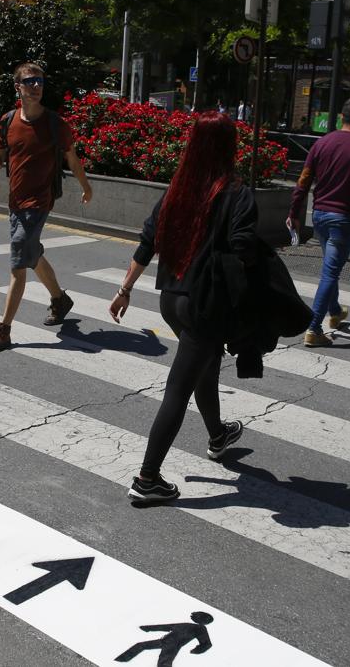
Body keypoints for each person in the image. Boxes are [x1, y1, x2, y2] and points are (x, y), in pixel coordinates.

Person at [108, 111, 257, 502]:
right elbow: (245, 252)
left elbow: (147, 241)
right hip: (205, 305)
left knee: (203, 367)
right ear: (229, 146)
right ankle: (147, 479)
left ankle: (218, 435)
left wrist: (125, 289)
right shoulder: (237, 193)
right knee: (178, 388)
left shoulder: (178, 188)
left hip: (171, 301)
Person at [0, 62, 94, 350]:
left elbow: (72, 158)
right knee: (32, 253)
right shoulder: (8, 121)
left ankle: (3, 330)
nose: (36, 86)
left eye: (40, 81)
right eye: (30, 81)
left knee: (18, 264)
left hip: (39, 202)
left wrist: (86, 187)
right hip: (15, 202)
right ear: (17, 87)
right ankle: (60, 299)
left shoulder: (55, 124)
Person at [286, 97, 350, 348]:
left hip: (320, 215)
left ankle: (335, 312)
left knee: (330, 265)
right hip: (344, 218)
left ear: (341, 118)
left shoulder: (322, 143)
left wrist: (295, 212)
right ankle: (314, 329)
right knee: (330, 271)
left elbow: (303, 181)